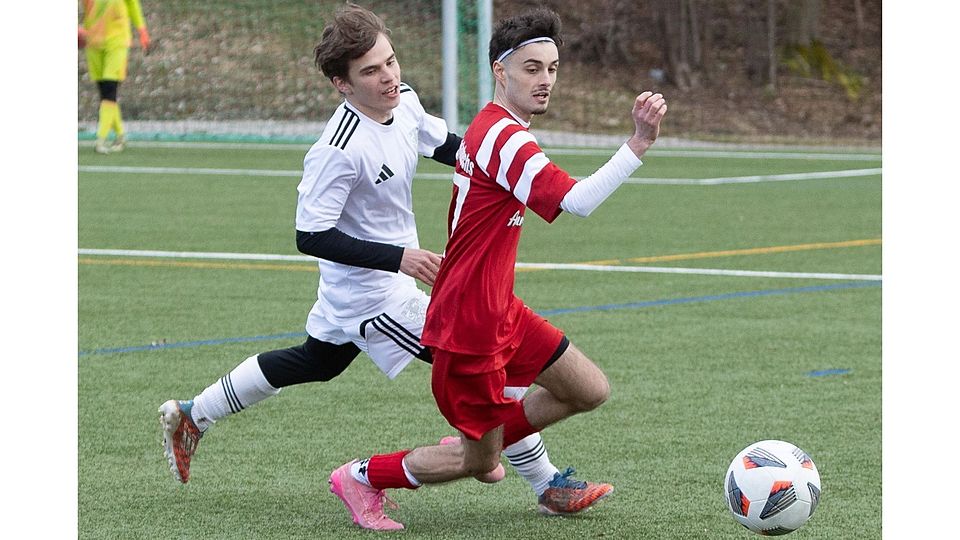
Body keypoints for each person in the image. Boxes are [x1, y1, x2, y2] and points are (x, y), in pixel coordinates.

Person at [158, 3, 603, 523]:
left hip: (354, 294)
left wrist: (507, 162)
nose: (389, 76)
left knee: (315, 362)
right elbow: (310, 234)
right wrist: (401, 259)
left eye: (390, 61)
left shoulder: (405, 103)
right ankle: (545, 482)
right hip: (373, 297)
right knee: (487, 356)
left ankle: (194, 414)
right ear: (340, 85)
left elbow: (454, 148)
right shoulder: (337, 149)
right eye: (371, 71)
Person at [328, 7, 667, 531]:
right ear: (501, 72)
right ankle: (363, 476)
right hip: (468, 326)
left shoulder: (495, 130)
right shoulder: (503, 137)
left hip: (497, 308)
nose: (546, 80)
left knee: (589, 389)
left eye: (552, 68)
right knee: (478, 464)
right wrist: (637, 143)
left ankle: (504, 448)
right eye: (532, 68)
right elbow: (575, 201)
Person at [79, 0, 151, 154]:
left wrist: (142, 31)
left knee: (110, 89)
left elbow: (132, 4)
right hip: (93, 42)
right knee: (105, 94)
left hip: (117, 40)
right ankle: (121, 136)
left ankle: (101, 139)